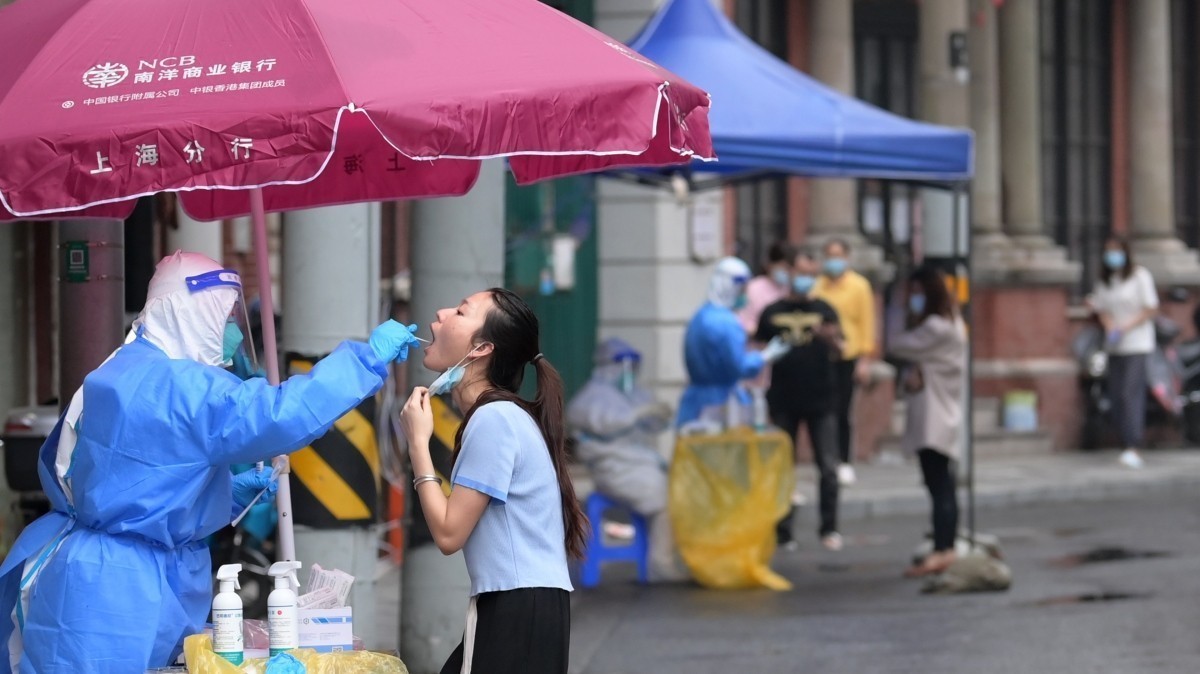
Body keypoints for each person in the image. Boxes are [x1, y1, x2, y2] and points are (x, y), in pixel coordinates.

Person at [0, 251, 418, 673]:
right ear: (186, 311)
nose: (232, 333)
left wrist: (222, 498)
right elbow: (279, 415)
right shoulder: (177, 384)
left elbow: (142, 481)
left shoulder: (123, 370)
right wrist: (367, 359)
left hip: (108, 574)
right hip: (118, 591)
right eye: (222, 316)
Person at [399, 288, 584, 674]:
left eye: (461, 311)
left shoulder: (494, 419)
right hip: (523, 606)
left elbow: (450, 534)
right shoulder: (502, 416)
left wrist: (418, 444)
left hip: (517, 609)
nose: (442, 310)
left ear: (481, 349)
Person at [567, 337, 682, 581]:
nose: (628, 373)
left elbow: (649, 424)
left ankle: (665, 559)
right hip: (614, 471)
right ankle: (660, 565)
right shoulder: (591, 398)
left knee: (677, 492)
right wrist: (638, 413)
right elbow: (608, 423)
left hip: (635, 466)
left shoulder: (629, 394)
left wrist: (656, 413)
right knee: (666, 500)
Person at [755, 250, 844, 551]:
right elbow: (757, 346)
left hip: (821, 398)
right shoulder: (771, 311)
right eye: (802, 272)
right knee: (782, 467)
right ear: (790, 272)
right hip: (783, 398)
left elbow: (841, 349)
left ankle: (829, 528)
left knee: (828, 467)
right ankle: (783, 531)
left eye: (812, 274)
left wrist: (829, 337)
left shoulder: (825, 310)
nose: (806, 279)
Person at [887, 265, 967, 577]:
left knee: (939, 484)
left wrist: (895, 309)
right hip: (942, 410)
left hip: (936, 414)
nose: (912, 299)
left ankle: (943, 549)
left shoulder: (936, 327)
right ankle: (943, 546)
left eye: (916, 293)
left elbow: (897, 344)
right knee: (940, 482)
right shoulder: (953, 322)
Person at [678, 257, 790, 427]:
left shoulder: (699, 316)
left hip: (694, 402)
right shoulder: (728, 323)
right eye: (743, 290)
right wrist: (764, 356)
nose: (745, 296)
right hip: (723, 406)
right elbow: (738, 366)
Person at [1086, 237, 1159, 469]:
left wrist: (1125, 326)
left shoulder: (1140, 276)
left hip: (1137, 343)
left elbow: (1150, 308)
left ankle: (1133, 445)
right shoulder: (1106, 280)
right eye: (1108, 251)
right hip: (1114, 344)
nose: (1112, 256)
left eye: (1116, 251)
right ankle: (1123, 441)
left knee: (1130, 394)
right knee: (1117, 395)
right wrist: (1110, 327)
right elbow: (1102, 308)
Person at [813, 238, 878, 487]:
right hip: (822, 358)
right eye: (829, 255)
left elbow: (866, 323)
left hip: (848, 356)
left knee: (843, 410)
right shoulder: (818, 287)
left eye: (838, 255)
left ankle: (844, 460)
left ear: (847, 258)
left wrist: (864, 360)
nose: (833, 261)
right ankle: (827, 458)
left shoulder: (859, 286)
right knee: (824, 410)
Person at [737, 241, 797, 334]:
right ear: (770, 264)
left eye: (791, 269)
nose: (788, 272)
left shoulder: (790, 289)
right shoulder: (753, 288)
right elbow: (744, 323)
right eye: (784, 267)